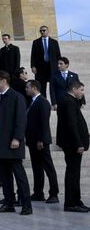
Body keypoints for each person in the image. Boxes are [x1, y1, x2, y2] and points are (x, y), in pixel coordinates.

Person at [0, 71, 32, 215]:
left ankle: (26, 205)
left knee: (19, 175)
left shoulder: (17, 97)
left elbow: (21, 120)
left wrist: (17, 138)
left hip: (12, 142)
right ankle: (9, 202)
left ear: (4, 81)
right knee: (4, 175)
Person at [24, 80, 59, 204]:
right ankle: (38, 192)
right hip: (32, 141)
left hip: (41, 141)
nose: (26, 89)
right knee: (36, 167)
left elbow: (44, 123)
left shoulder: (43, 102)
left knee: (48, 167)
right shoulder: (32, 102)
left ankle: (54, 193)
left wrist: (41, 140)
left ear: (34, 88)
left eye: (27, 87)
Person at [56, 81, 89, 212]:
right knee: (73, 173)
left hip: (71, 143)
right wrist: (78, 143)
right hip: (72, 144)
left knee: (75, 173)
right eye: (81, 89)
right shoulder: (69, 101)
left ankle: (76, 200)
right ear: (74, 89)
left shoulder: (68, 100)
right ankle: (71, 203)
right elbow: (72, 124)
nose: (82, 92)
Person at [31, 25, 61, 103]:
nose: (42, 32)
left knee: (53, 86)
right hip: (40, 68)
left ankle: (54, 103)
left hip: (52, 67)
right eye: (41, 31)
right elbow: (33, 55)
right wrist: (33, 66)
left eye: (44, 30)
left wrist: (59, 66)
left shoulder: (54, 42)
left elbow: (58, 55)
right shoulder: (36, 42)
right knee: (41, 87)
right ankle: (43, 103)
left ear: (48, 31)